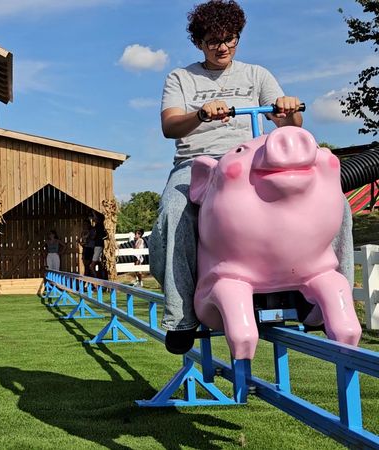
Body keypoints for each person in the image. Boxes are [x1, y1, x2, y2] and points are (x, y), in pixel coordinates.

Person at [150, 0, 352, 355]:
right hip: (202, 163)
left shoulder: (257, 75)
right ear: (199, 42)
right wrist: (200, 114)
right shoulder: (181, 78)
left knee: (340, 205)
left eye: (230, 39)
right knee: (173, 211)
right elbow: (170, 125)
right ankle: (180, 316)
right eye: (213, 40)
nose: (223, 46)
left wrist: (286, 110)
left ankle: (328, 297)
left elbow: (290, 127)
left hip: (255, 163)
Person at [90, 213, 107, 278]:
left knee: (92, 266)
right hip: (99, 245)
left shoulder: (99, 225)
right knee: (101, 265)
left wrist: (93, 212)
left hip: (98, 246)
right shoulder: (102, 226)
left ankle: (96, 282)